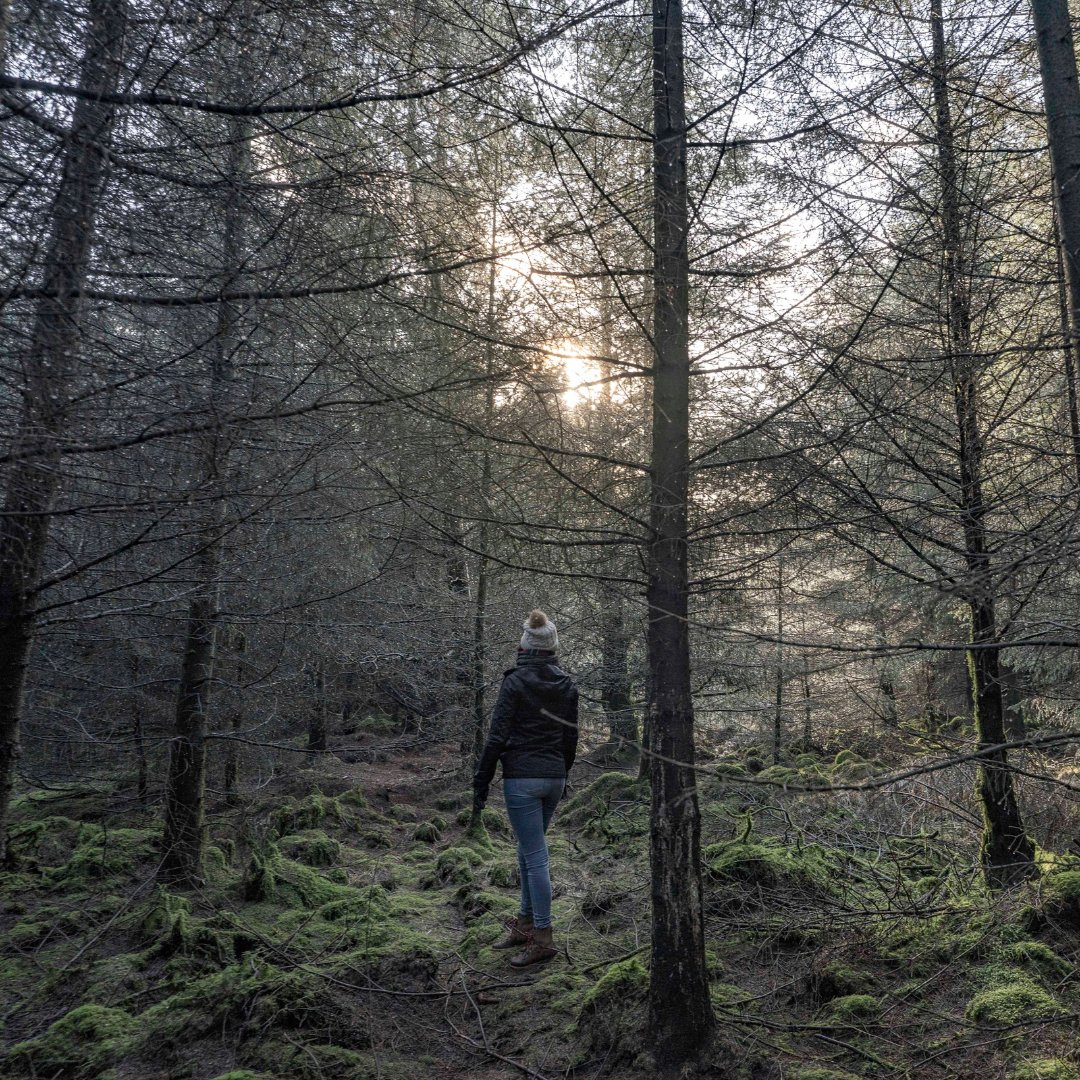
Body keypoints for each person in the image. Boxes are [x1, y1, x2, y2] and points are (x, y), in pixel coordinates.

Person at [472, 609, 579, 967]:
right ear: (552, 646)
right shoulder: (566, 683)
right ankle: (524, 924)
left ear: (525, 645)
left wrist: (481, 779)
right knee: (527, 850)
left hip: (522, 778)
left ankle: (544, 938)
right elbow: (570, 735)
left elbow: (497, 736)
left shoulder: (515, 682)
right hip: (554, 776)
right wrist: (563, 774)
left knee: (535, 858)